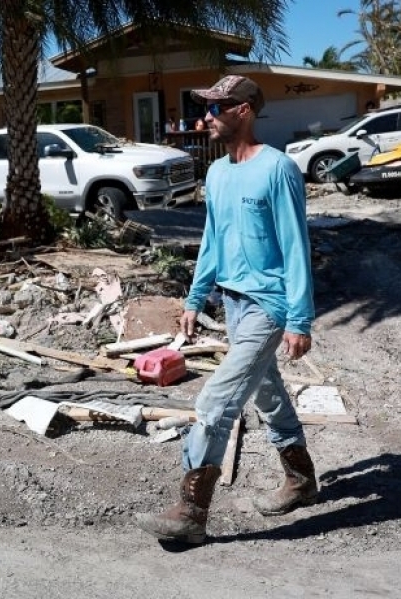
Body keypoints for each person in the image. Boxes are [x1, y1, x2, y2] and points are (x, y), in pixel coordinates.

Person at [135, 75, 318, 544]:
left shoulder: (278, 169)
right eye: (208, 107)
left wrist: (300, 319)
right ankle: (301, 478)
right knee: (265, 389)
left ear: (245, 111)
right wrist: (195, 298)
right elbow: (212, 242)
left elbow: (297, 247)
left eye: (219, 108)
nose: (208, 117)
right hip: (232, 303)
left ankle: (191, 511)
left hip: (269, 305)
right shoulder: (216, 174)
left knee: (216, 401)